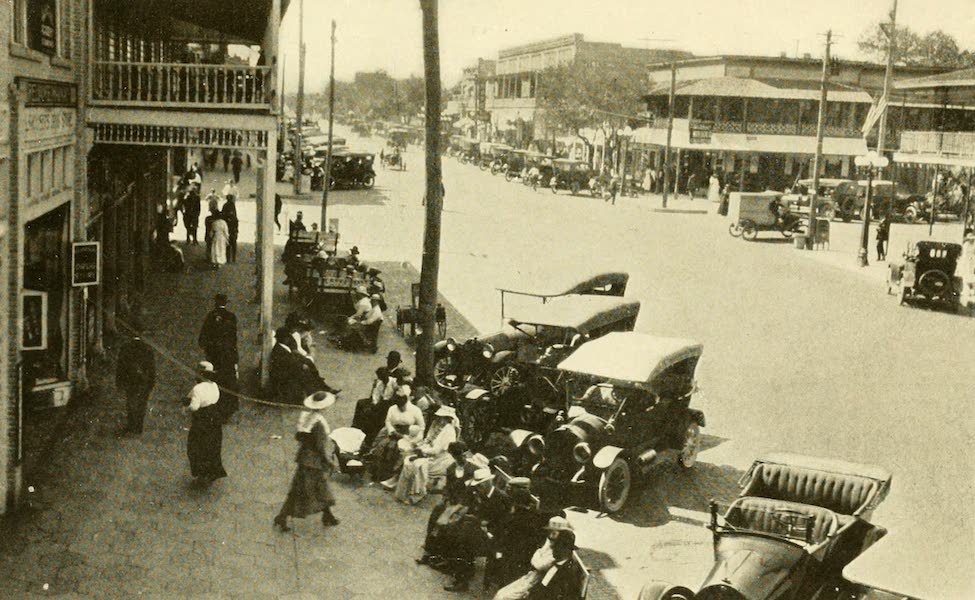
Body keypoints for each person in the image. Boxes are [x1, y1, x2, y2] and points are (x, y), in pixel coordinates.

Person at [274, 392, 340, 531]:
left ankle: (328, 515)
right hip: (313, 462)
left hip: (304, 458)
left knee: (317, 488)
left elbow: (300, 437)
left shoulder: (306, 418)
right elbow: (320, 447)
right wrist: (328, 461)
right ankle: (282, 516)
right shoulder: (319, 423)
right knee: (309, 489)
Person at [493, 516, 581, 600]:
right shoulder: (551, 546)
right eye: (550, 531)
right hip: (532, 578)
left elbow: (539, 565)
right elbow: (535, 560)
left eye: (554, 532)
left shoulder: (560, 554)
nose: (551, 534)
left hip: (536, 581)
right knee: (501, 594)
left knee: (503, 597)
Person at [416, 441, 473, 566]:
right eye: (458, 456)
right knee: (436, 514)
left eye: (463, 455)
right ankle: (428, 551)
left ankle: (442, 555)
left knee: (447, 521)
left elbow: (471, 492)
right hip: (452, 501)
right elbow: (447, 487)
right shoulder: (451, 468)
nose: (462, 458)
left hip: (465, 503)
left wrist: (460, 504)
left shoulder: (472, 470)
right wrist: (446, 498)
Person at [392, 405, 462, 503]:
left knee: (418, 465)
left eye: (443, 418)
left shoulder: (449, 431)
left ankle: (416, 494)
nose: (440, 420)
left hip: (441, 458)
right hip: (429, 451)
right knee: (408, 457)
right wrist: (419, 446)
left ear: (448, 419)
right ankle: (402, 492)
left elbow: (437, 450)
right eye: (439, 417)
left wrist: (422, 451)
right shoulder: (435, 424)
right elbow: (428, 440)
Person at [369, 384, 425, 483]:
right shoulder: (392, 409)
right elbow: (388, 421)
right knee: (381, 445)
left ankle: (391, 474)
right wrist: (392, 431)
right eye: (398, 405)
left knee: (394, 448)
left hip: (407, 434)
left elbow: (421, 427)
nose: (400, 408)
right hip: (393, 432)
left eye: (402, 405)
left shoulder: (415, 410)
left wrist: (413, 438)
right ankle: (377, 471)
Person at [184, 362, 228, 485]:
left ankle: (202, 473)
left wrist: (186, 407)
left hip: (202, 419)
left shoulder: (197, 388)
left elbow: (194, 407)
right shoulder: (214, 385)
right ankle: (212, 472)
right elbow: (217, 398)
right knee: (212, 445)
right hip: (214, 418)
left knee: (197, 445)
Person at [115, 318, 155, 435]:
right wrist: (151, 382)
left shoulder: (126, 348)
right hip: (144, 381)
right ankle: (139, 427)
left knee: (131, 402)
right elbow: (151, 368)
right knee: (142, 403)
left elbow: (120, 366)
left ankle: (131, 426)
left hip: (130, 380)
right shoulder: (148, 349)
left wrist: (119, 381)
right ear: (141, 334)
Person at [198, 294, 239, 376]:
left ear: (216, 303)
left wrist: (204, 345)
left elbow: (204, 332)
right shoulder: (231, 316)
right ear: (225, 303)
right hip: (227, 350)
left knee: (213, 369)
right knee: (225, 370)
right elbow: (233, 336)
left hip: (213, 349)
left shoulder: (211, 315)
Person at [222, 197, 239, 263]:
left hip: (228, 226)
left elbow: (223, 215)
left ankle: (228, 258)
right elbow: (235, 217)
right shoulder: (232, 205)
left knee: (228, 244)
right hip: (232, 227)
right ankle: (233, 258)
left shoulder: (225, 205)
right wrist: (236, 229)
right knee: (233, 244)